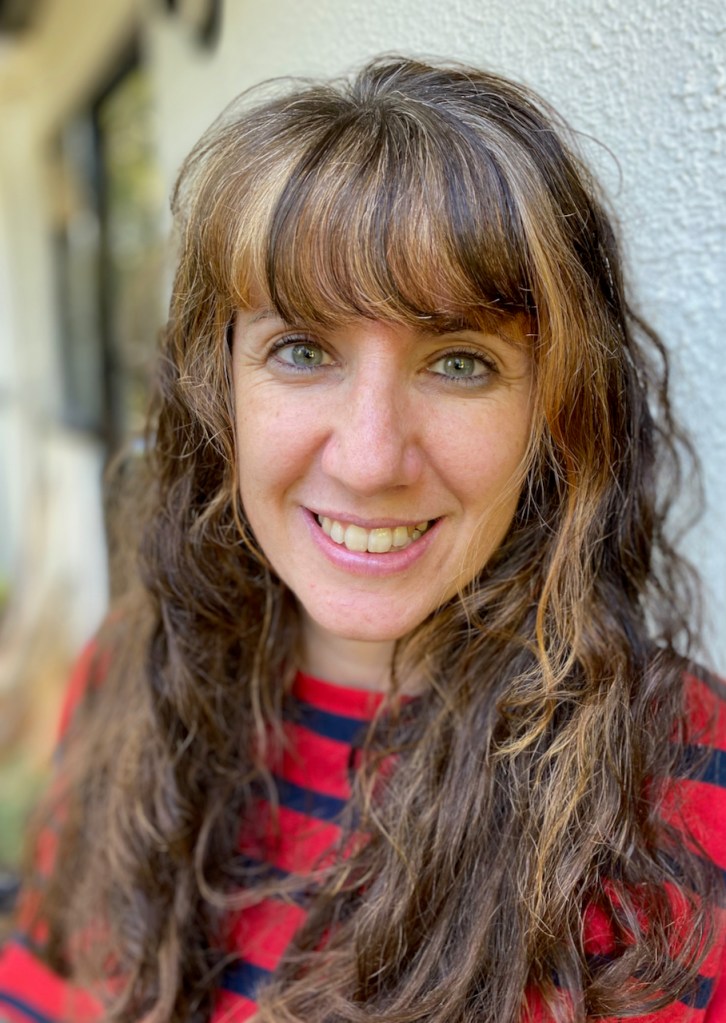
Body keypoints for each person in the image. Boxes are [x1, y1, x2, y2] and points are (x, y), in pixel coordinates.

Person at [0, 55, 724, 1023]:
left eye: (459, 362)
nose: (372, 458)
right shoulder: (132, 673)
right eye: (303, 351)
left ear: (559, 413)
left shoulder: (674, 782)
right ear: (219, 391)